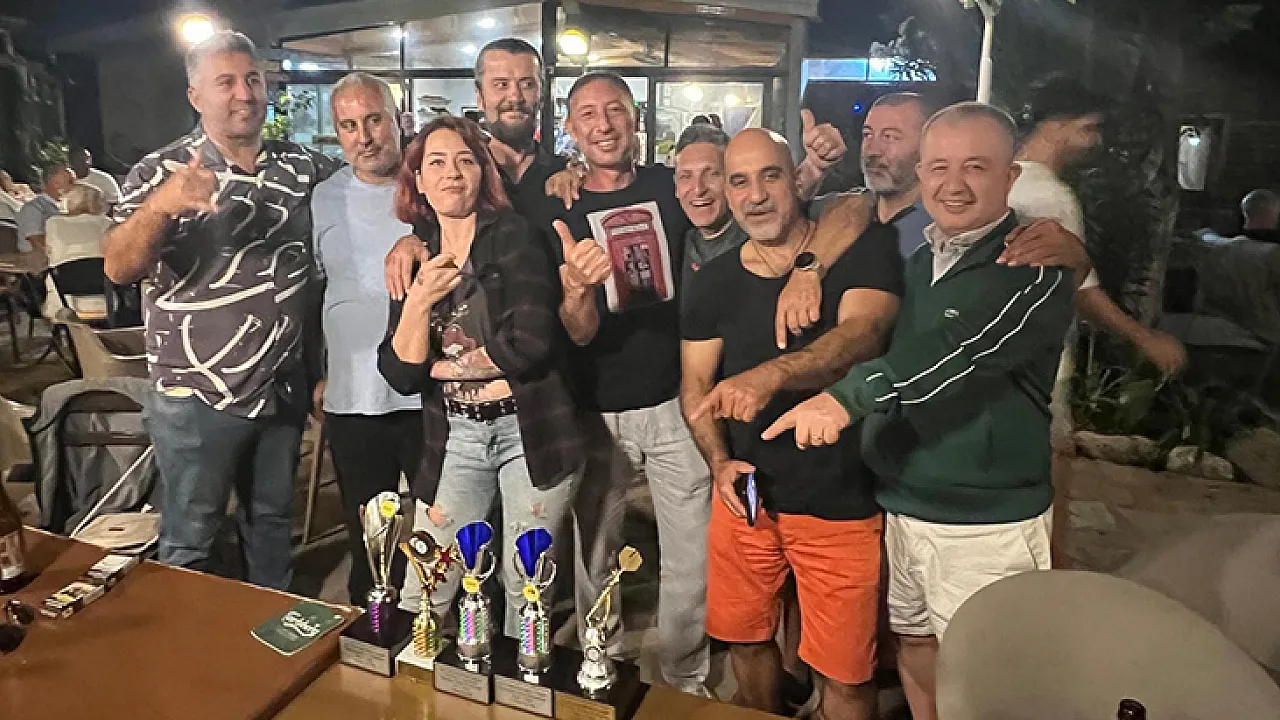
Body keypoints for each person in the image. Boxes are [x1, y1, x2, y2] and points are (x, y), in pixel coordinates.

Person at [764, 102, 1076, 720]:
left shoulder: (1033, 265)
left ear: (1010, 176)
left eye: (975, 167)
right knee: (916, 646)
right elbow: (852, 213)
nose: (953, 183)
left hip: (983, 523)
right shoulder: (918, 258)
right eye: (939, 167)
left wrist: (844, 399)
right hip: (905, 503)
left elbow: (957, 353)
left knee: (988, 678)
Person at [103, 31, 339, 591]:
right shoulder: (161, 171)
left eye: (252, 79)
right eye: (225, 82)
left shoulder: (303, 167)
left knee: (272, 528)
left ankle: (270, 632)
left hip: (281, 388)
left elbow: (373, 189)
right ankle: (189, 643)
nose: (244, 93)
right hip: (196, 398)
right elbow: (118, 267)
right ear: (195, 96)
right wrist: (163, 206)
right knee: (191, 539)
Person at [681, 128, 902, 719]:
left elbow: (862, 336)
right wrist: (719, 462)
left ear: (797, 180)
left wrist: (771, 375)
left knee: (846, 673)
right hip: (746, 498)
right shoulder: (713, 282)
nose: (755, 196)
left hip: (841, 501)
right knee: (746, 640)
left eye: (770, 176)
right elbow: (695, 386)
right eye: (739, 181)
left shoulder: (859, 252)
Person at [529, 71, 711, 695]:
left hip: (677, 403)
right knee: (595, 554)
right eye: (588, 114)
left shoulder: (670, 187)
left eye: (615, 110)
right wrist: (578, 290)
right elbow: (576, 333)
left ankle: (687, 678)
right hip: (594, 409)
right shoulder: (556, 206)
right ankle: (597, 665)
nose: (603, 124)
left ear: (636, 118)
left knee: (692, 556)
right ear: (570, 128)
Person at [377, 116, 583, 634]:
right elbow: (399, 372)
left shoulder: (514, 236)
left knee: (526, 586)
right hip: (454, 436)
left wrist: (438, 367)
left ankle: (522, 678)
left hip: (528, 432)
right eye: (437, 163)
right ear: (419, 180)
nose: (452, 173)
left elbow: (530, 343)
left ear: (482, 173)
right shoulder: (414, 256)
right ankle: (419, 677)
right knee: (426, 583)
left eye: (465, 161)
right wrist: (419, 300)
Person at [310, 72, 423, 606]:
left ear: (398, 120)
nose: (365, 137)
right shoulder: (323, 198)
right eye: (349, 125)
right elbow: (311, 290)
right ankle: (374, 629)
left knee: (443, 531)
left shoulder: (431, 183)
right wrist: (317, 373)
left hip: (428, 394)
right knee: (369, 538)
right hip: (354, 399)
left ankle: (451, 632)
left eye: (374, 120)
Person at [1009, 75, 1187, 376]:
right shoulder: (1050, 196)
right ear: (1054, 126)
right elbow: (1081, 291)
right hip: (1038, 359)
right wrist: (1147, 341)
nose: (1098, 142)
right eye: (1089, 129)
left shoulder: (1004, 180)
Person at [385, 38, 569, 298]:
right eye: (501, 84)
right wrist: (410, 242)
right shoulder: (459, 182)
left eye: (527, 84)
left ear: (541, 94)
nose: (515, 97)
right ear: (480, 97)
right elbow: (429, 236)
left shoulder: (566, 176)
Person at [15, 161, 75, 253]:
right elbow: (38, 243)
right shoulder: (33, 208)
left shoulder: (70, 207)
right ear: (56, 184)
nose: (76, 186)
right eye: (71, 182)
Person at [69, 142, 122, 207]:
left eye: (87, 158)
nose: (86, 162)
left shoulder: (104, 179)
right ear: (71, 162)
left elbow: (116, 202)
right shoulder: (65, 179)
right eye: (80, 159)